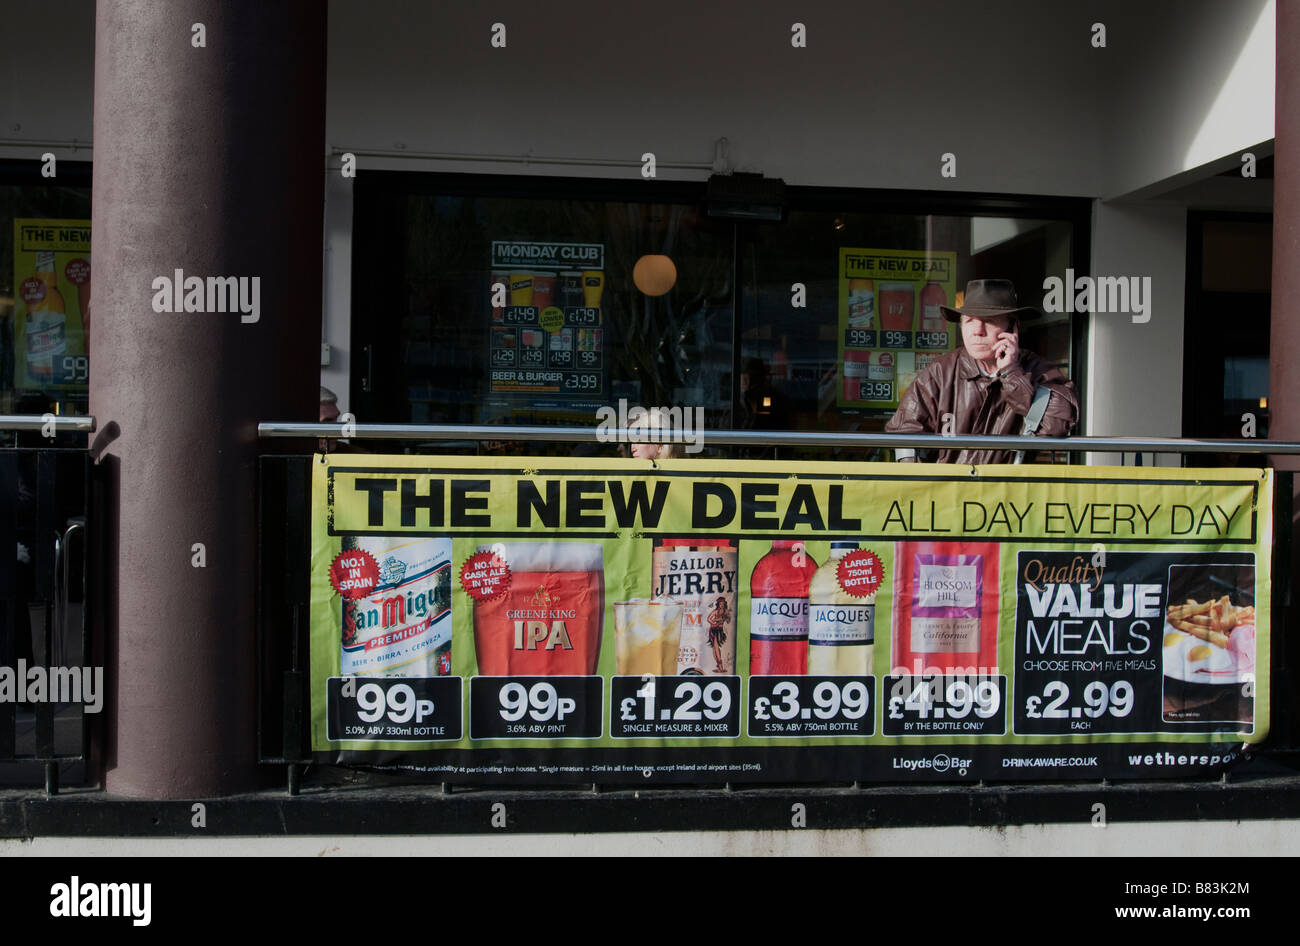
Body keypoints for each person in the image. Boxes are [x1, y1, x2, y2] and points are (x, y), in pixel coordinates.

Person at [885, 278, 1078, 464]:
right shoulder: (940, 372)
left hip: (1010, 492)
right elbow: (904, 432)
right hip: (947, 491)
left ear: (1013, 328)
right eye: (969, 321)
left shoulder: (1040, 371)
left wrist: (1011, 373)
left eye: (989, 320)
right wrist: (923, 483)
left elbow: (1058, 424)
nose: (977, 330)